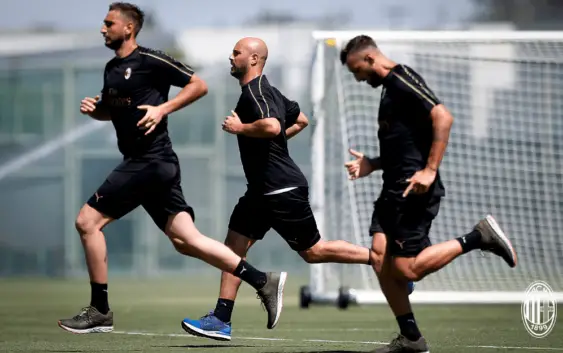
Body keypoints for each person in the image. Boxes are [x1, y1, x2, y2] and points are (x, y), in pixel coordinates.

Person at [57, 3, 286, 334]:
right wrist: (97, 111)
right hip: (148, 165)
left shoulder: (151, 60)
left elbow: (199, 85)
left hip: (150, 161)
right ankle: (262, 280)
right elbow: (115, 111)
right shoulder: (111, 69)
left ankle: (100, 310)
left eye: (110, 23)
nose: (103, 28)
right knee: (186, 240)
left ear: (129, 28)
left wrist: (163, 108)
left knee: (87, 222)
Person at [180, 37, 411, 342]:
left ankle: (382, 260)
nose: (230, 57)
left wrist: (242, 129)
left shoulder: (256, 93)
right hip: (262, 190)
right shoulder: (269, 91)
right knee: (231, 249)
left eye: (236, 53)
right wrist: (269, 142)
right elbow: (300, 120)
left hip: (279, 189)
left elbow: (274, 126)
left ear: (253, 59)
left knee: (313, 252)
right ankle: (221, 318)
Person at [339, 34, 518, 352]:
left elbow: (442, 116)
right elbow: (406, 145)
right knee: (380, 260)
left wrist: (431, 169)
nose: (358, 78)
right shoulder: (388, 90)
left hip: (413, 189)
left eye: (357, 70)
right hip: (391, 188)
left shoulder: (402, 78)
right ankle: (410, 338)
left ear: (369, 59)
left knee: (407, 270)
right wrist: (373, 163)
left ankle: (478, 237)